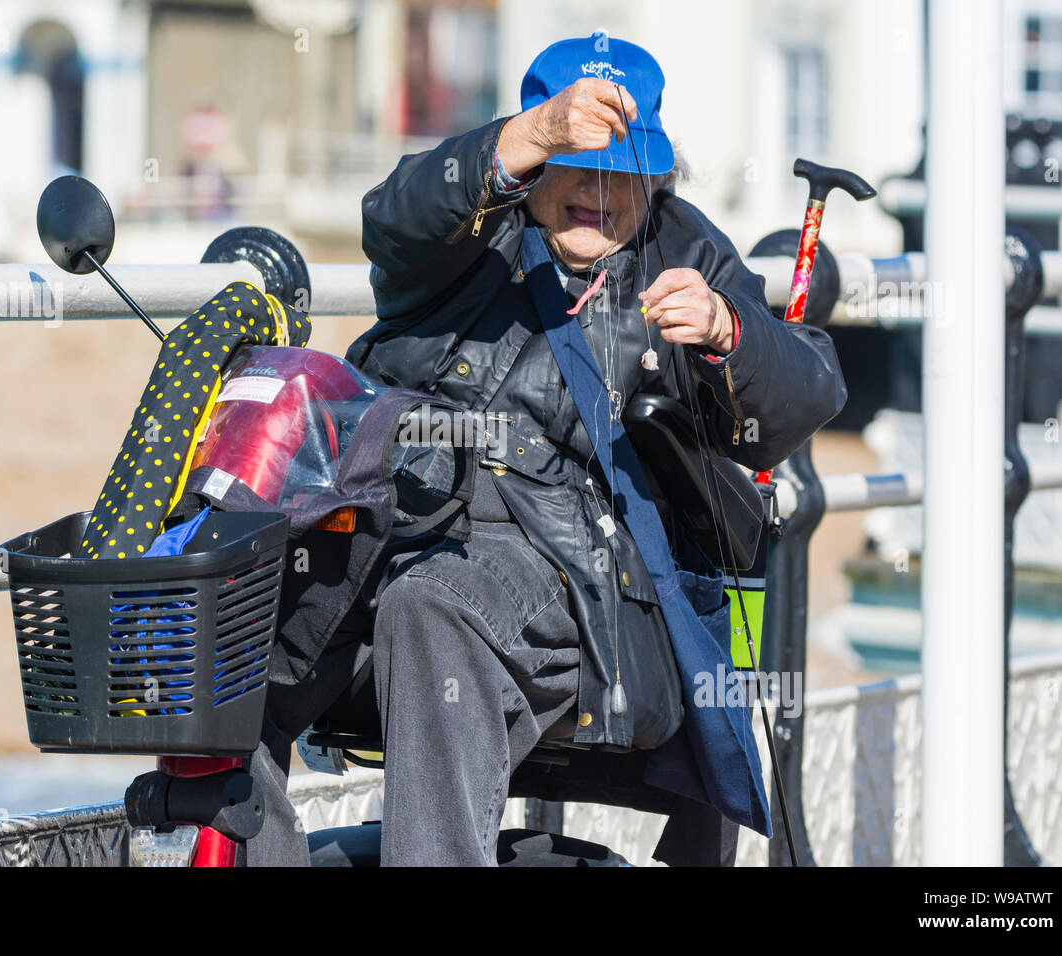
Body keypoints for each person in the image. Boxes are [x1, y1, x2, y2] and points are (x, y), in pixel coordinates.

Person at [250, 32, 846, 867]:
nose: (597, 193)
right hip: (394, 529)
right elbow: (392, 216)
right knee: (233, 630)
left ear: (655, 177)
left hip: (578, 567)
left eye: (622, 171)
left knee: (433, 607)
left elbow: (806, 395)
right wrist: (527, 133)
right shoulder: (465, 241)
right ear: (534, 163)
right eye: (574, 163)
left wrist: (729, 330)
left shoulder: (686, 250)